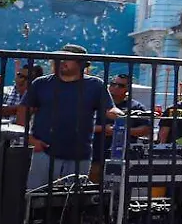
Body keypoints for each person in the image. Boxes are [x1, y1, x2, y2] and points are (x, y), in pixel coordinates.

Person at [18, 45, 120, 191]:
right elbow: (24, 110)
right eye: (59, 58)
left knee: (72, 202)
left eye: (67, 58)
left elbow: (109, 109)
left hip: (80, 154)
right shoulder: (41, 83)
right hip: (44, 152)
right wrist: (30, 138)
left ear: (81, 63)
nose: (61, 62)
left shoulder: (95, 85)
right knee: (36, 197)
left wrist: (122, 115)